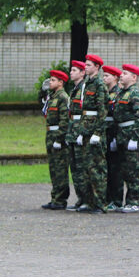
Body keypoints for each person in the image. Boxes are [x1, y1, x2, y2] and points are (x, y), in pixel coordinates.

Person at [111, 64, 139, 213]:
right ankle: (124, 201)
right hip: (122, 135)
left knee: (134, 170)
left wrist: (135, 138)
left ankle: (135, 201)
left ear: (134, 77)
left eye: (125, 73)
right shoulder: (122, 93)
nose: (121, 75)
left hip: (132, 136)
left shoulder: (136, 93)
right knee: (124, 170)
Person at [76, 54, 109, 214]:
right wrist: (82, 132)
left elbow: (102, 111)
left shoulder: (99, 85)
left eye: (89, 65)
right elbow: (84, 111)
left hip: (95, 131)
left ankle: (100, 203)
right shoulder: (87, 84)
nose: (86, 67)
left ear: (97, 67)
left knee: (97, 169)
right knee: (87, 168)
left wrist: (98, 132)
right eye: (85, 65)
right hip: (87, 129)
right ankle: (89, 202)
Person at [41, 69, 71, 210]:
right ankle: (55, 197)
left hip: (58, 136)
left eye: (53, 80)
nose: (50, 82)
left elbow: (65, 120)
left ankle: (60, 200)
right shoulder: (52, 96)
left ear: (61, 82)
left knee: (60, 169)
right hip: (50, 135)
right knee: (53, 169)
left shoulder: (63, 97)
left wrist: (60, 138)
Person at [65, 60, 87, 211]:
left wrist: (82, 132)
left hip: (80, 130)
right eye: (71, 70)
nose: (71, 73)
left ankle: (86, 198)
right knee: (75, 168)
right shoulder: (74, 89)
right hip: (73, 130)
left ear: (82, 72)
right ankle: (80, 199)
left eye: (74, 70)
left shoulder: (84, 88)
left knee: (82, 167)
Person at [102, 63, 123, 211]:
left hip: (114, 133)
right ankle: (108, 198)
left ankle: (116, 200)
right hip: (106, 133)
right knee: (107, 167)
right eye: (103, 75)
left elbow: (118, 116)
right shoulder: (106, 93)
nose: (104, 78)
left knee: (116, 169)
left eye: (107, 76)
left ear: (115, 78)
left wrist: (116, 136)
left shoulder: (118, 93)